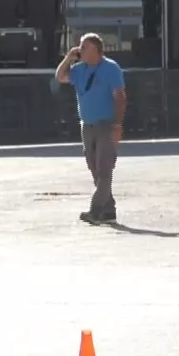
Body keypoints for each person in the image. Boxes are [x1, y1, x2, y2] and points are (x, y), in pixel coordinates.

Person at [55, 32, 126, 225]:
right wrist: (68, 58)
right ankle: (109, 210)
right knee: (93, 167)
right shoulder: (79, 69)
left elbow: (120, 97)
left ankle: (95, 210)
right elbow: (60, 76)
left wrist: (117, 125)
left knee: (104, 168)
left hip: (106, 124)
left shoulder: (111, 68)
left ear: (96, 49)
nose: (80, 50)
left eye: (84, 47)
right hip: (87, 125)